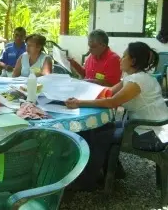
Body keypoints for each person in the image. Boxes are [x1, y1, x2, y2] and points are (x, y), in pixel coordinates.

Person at [65, 42, 167, 190]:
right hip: (143, 125)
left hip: (151, 133)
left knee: (100, 136)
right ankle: (111, 171)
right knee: (98, 127)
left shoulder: (137, 81)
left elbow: (112, 102)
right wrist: (81, 91)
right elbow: (108, 92)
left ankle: (86, 181)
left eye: (124, 56)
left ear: (133, 61)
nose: (120, 59)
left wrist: (79, 103)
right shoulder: (135, 77)